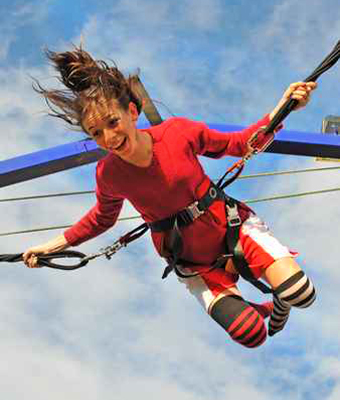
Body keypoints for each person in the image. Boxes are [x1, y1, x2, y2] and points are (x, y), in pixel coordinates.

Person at [23, 46, 317, 348]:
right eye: (96, 133)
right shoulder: (109, 173)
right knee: (251, 333)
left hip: (232, 229)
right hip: (191, 259)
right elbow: (101, 217)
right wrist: (49, 248)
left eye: (112, 122)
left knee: (301, 294)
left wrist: (284, 107)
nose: (109, 138)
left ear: (132, 112)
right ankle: (267, 308)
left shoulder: (177, 133)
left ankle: (282, 301)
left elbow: (241, 143)